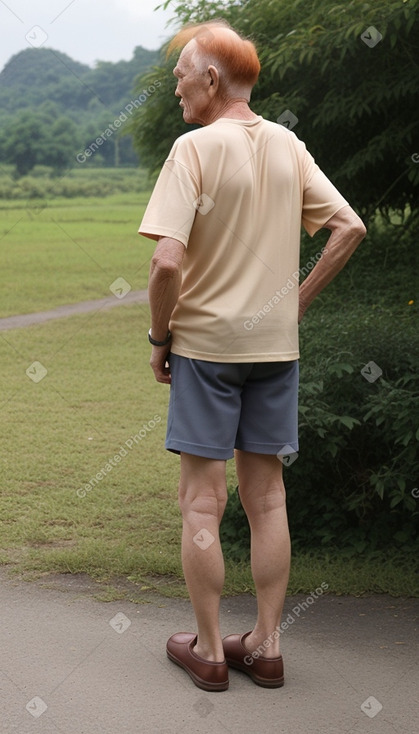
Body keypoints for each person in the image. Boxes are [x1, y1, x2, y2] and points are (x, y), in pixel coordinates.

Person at [138, 20, 366, 692]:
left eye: (182, 72)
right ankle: (265, 645)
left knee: (201, 504)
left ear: (211, 79)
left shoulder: (193, 149)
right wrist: (294, 303)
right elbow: (347, 227)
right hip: (275, 350)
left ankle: (209, 650)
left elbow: (165, 262)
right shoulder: (288, 145)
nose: (177, 83)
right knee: (267, 502)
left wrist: (159, 338)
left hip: (206, 350)